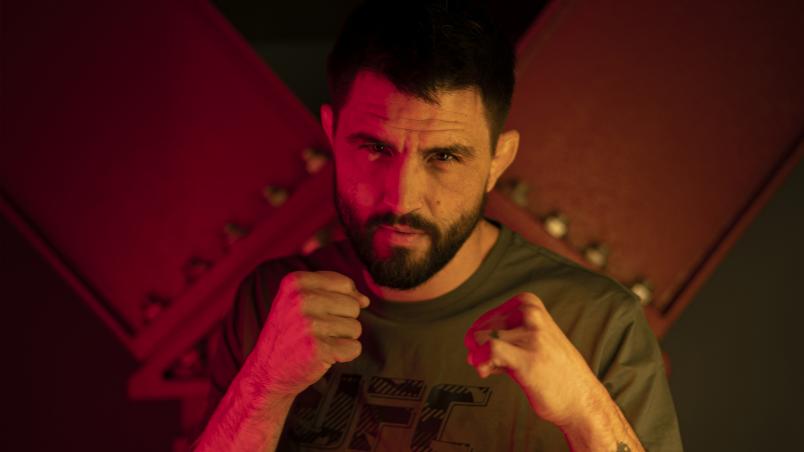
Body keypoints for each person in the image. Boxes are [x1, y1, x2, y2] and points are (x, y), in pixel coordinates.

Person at [194, 1, 682, 450]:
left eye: (444, 156)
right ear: (332, 133)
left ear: (498, 159)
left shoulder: (599, 323)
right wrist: (265, 385)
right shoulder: (269, 302)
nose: (402, 197)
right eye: (375, 148)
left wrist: (583, 410)